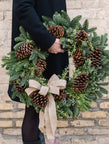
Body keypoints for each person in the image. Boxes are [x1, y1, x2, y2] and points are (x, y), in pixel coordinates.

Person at [8, 0, 69, 144]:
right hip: (36, 50)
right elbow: (22, 7)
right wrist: (48, 41)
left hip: (48, 47)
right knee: (32, 109)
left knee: (38, 108)